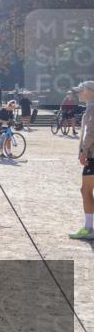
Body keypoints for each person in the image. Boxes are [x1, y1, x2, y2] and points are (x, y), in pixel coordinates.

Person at [69, 80, 94, 240]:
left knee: (85, 190)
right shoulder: (89, 108)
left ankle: (88, 228)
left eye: (81, 90)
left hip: (93, 155)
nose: (78, 93)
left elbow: (91, 132)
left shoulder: (92, 108)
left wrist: (84, 150)